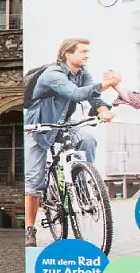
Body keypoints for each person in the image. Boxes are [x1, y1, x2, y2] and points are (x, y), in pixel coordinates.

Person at [23, 38, 119, 247]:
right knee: (33, 181)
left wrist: (103, 109)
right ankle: (30, 229)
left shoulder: (83, 74)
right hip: (38, 127)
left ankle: (82, 186)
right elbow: (75, 94)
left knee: (88, 140)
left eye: (87, 51)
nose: (86, 55)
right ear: (67, 53)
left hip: (64, 124)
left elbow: (92, 96)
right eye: (82, 51)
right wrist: (108, 84)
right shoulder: (53, 74)